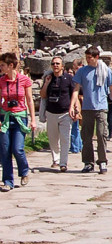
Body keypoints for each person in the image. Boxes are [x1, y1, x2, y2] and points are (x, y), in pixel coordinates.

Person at [70, 47, 112, 174]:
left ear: (96, 57)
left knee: (102, 134)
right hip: (87, 107)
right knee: (86, 136)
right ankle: (88, 162)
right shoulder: (82, 71)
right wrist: (72, 105)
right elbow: (76, 89)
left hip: (101, 107)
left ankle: (102, 161)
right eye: (86, 57)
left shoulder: (105, 70)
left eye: (89, 58)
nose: (87, 60)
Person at [0, 52, 36, 192]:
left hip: (20, 117)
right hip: (5, 117)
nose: (1, 67)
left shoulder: (24, 80)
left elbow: (29, 100)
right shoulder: (1, 81)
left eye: (3, 65)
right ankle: (8, 181)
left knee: (17, 148)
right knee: (4, 150)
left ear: (10, 66)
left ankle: (24, 170)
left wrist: (33, 119)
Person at [40, 55, 73, 172]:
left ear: (62, 66)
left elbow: (74, 94)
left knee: (65, 138)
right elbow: (43, 95)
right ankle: (56, 159)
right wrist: (46, 83)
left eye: (57, 64)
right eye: (53, 64)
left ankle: (63, 163)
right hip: (51, 112)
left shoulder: (69, 78)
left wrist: (75, 108)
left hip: (65, 113)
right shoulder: (48, 78)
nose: (55, 66)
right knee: (53, 139)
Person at [68, 58, 83, 154]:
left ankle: (75, 147)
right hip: (77, 104)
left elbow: (78, 94)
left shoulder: (77, 80)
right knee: (76, 128)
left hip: (78, 104)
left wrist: (76, 108)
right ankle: (79, 145)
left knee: (75, 128)